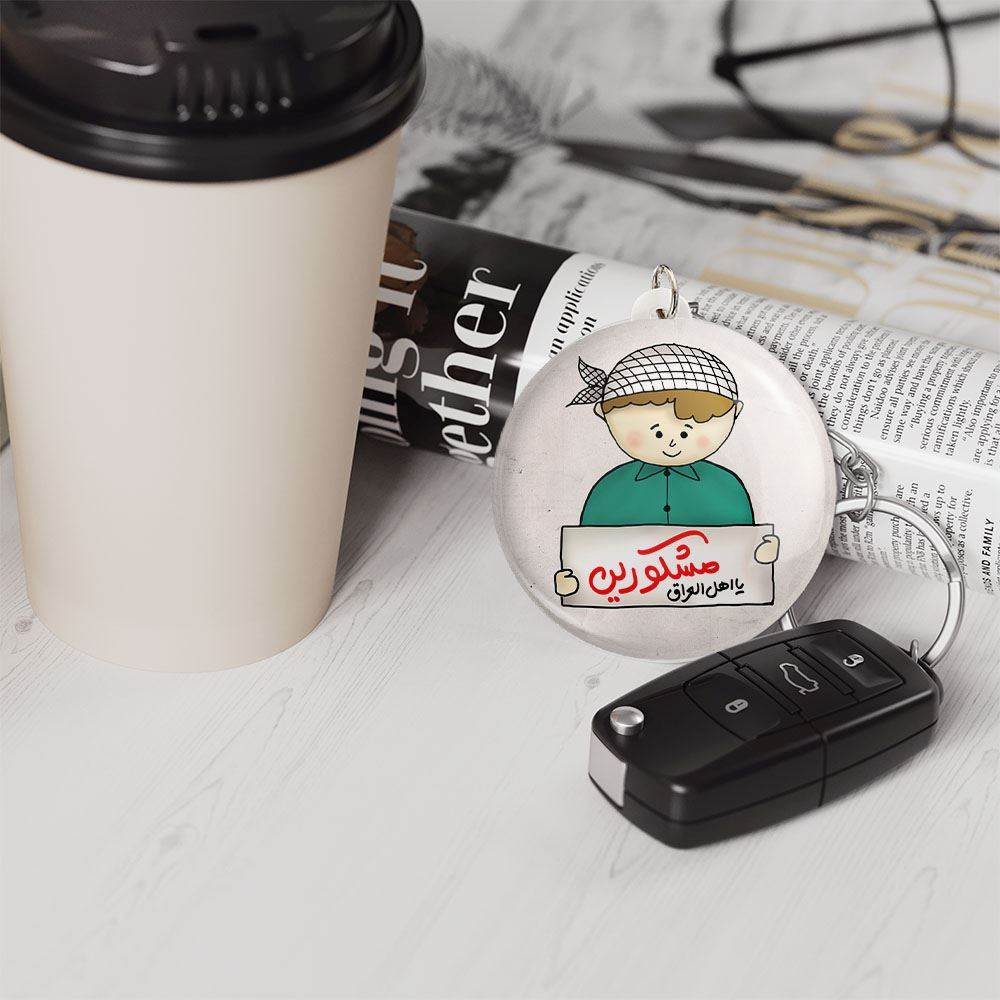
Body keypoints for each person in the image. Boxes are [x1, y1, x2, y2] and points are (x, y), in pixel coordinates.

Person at [555, 342, 779, 598]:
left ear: (735, 413)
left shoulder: (728, 487)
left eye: (686, 432)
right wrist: (574, 582)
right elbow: (588, 556)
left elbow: (744, 555)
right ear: (604, 414)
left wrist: (760, 556)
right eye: (657, 433)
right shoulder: (608, 490)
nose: (672, 443)